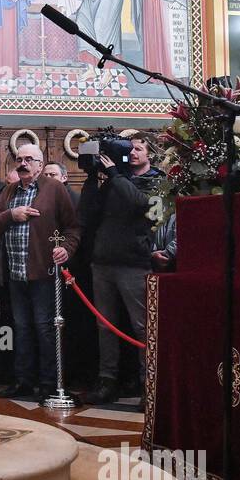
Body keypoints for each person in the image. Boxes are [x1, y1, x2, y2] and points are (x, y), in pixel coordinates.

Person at [0, 143, 80, 402]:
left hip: (43, 274)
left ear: (40, 164)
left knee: (44, 328)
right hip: (16, 275)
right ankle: (24, 381)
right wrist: (11, 215)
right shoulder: (9, 191)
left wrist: (66, 250)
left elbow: (73, 228)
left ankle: (49, 383)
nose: (23, 163)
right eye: (20, 159)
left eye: (29, 159)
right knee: (22, 328)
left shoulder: (55, 190)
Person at [78, 136, 161, 405]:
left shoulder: (156, 180)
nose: (132, 153)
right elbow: (87, 212)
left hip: (133, 264)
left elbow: (141, 204)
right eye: (130, 149)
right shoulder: (114, 181)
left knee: (141, 327)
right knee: (106, 326)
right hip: (103, 261)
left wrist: (115, 174)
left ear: (151, 154)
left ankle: (149, 384)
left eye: (138, 149)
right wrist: (92, 178)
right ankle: (107, 380)